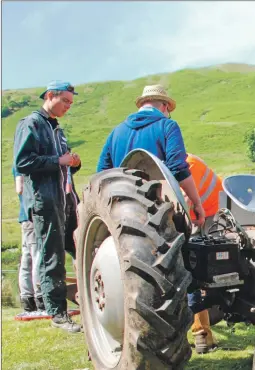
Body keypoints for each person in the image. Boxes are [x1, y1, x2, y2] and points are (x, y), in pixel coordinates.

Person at [13, 80, 82, 333]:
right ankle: (57, 313)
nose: (68, 107)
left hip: (66, 201)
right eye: (65, 101)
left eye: (71, 103)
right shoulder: (31, 124)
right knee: (52, 258)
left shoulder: (57, 129)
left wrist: (73, 162)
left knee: (82, 250)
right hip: (45, 200)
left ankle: (89, 302)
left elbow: (63, 160)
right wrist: (58, 160)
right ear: (50, 96)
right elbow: (23, 161)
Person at [97, 84, 205, 226]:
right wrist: (197, 203)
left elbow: (101, 174)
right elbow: (178, 169)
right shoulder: (167, 126)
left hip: (120, 210)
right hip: (155, 213)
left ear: (141, 105)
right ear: (165, 106)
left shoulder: (116, 132)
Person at [185, 153, 224, 353]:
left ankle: (201, 334)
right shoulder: (190, 162)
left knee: (194, 272)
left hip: (209, 218)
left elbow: (185, 206)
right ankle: (202, 335)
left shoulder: (187, 167)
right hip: (207, 217)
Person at [13, 167, 45, 312]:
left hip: (24, 217)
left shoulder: (17, 164)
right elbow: (19, 188)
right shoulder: (23, 165)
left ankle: (26, 298)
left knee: (27, 258)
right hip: (32, 215)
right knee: (37, 255)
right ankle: (40, 296)